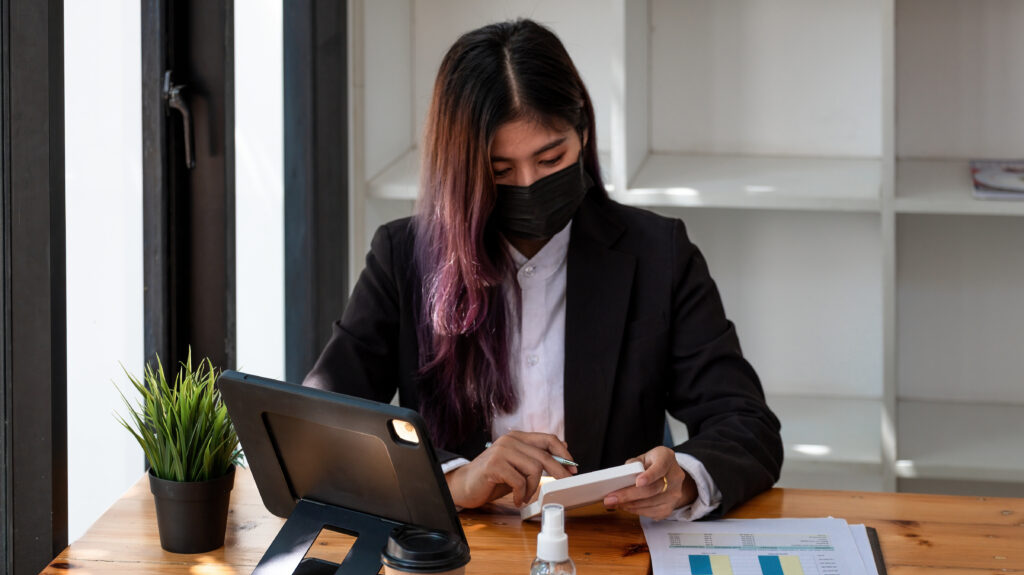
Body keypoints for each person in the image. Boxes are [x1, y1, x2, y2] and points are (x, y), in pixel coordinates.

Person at [305, 19, 782, 521]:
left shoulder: (659, 254)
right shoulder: (402, 256)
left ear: (582, 132)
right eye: (499, 171)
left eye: (551, 158)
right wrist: (457, 478)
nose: (529, 185)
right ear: (462, 170)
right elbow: (324, 422)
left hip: (607, 550)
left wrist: (684, 478)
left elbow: (746, 424)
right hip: (455, 554)